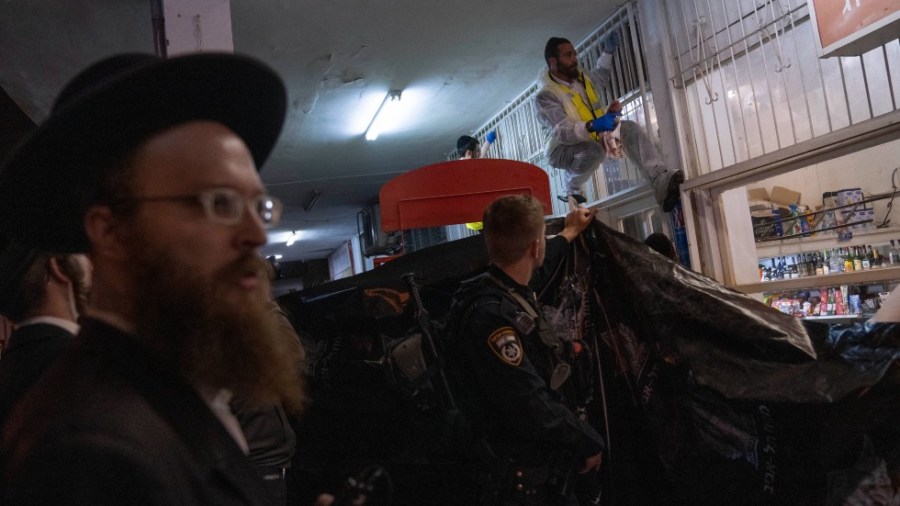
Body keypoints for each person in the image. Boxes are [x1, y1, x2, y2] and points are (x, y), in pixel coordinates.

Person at [0, 53, 324, 505]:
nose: (254, 234)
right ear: (112, 232)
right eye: (220, 204)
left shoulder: (177, 387)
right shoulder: (87, 451)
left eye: (258, 206)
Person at [449, 195, 604, 505]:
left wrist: (569, 233)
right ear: (535, 247)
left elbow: (534, 274)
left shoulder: (491, 290)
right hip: (519, 484)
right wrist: (588, 440)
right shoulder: (493, 320)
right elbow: (531, 405)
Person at [535, 32, 684, 211]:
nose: (575, 59)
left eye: (574, 53)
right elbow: (563, 132)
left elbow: (599, 78)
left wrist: (608, 52)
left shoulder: (579, 77)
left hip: (591, 135)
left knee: (629, 128)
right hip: (560, 149)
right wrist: (594, 124)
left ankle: (660, 180)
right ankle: (571, 186)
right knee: (593, 150)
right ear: (553, 62)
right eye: (568, 55)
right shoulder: (546, 95)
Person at [231, 262, 307, 506]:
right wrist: (264, 301)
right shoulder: (226, 331)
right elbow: (293, 354)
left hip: (259, 462)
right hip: (259, 465)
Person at [0, 235, 91, 432]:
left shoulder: (9, 368)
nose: (92, 265)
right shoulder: (81, 364)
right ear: (59, 269)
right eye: (83, 253)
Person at [456, 131, 498, 232]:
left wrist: (488, 142)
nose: (479, 153)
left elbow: (480, 157)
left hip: (479, 219)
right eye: (477, 151)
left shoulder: (466, 165)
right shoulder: (462, 172)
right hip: (481, 219)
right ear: (469, 153)